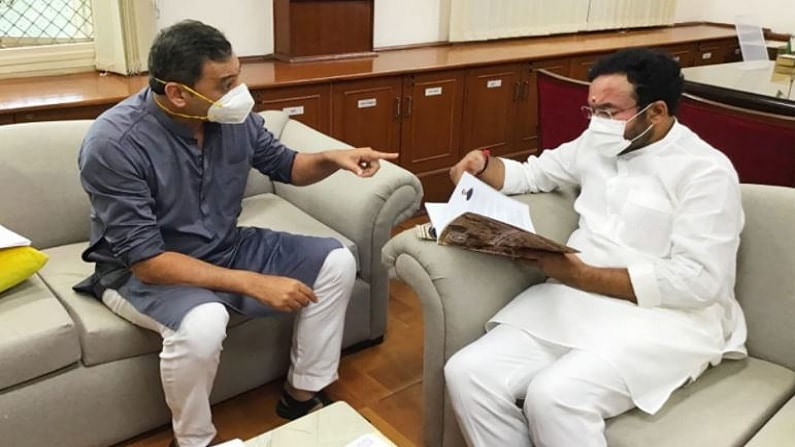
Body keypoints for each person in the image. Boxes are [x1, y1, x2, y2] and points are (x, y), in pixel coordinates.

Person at [74, 20, 397, 447]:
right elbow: (148, 262)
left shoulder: (229, 118)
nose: (240, 92)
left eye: (238, 76)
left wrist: (333, 158)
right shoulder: (114, 144)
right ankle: (192, 440)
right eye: (225, 84)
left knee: (337, 261)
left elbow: (286, 165)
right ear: (178, 93)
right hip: (138, 272)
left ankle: (302, 393)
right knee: (204, 322)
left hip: (223, 246)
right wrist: (253, 282)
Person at [446, 48, 747, 447]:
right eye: (591, 110)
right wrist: (483, 166)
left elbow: (699, 282)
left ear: (656, 112)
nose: (596, 122)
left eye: (609, 111)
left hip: (667, 317)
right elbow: (534, 173)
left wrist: (582, 275)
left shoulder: (706, 171)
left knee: (555, 397)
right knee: (467, 372)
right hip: (577, 299)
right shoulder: (597, 142)